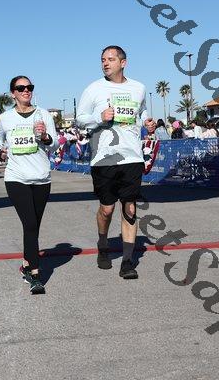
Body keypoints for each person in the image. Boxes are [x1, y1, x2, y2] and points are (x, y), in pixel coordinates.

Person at [76, 45, 150, 279]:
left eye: (110, 59)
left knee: (130, 207)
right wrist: (99, 117)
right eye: (102, 60)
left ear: (123, 62)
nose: (105, 63)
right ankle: (103, 243)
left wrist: (148, 123)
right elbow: (80, 119)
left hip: (132, 156)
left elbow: (142, 114)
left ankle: (127, 261)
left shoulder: (138, 88)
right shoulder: (93, 89)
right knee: (107, 209)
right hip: (103, 158)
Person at [0, 75, 59, 294]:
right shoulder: (5, 118)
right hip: (16, 178)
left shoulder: (43, 114)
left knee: (34, 226)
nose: (26, 90)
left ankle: (26, 262)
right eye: (20, 88)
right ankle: (35, 275)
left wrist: (46, 137)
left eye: (29, 87)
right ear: (12, 93)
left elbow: (55, 144)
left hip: (41, 177)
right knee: (30, 224)